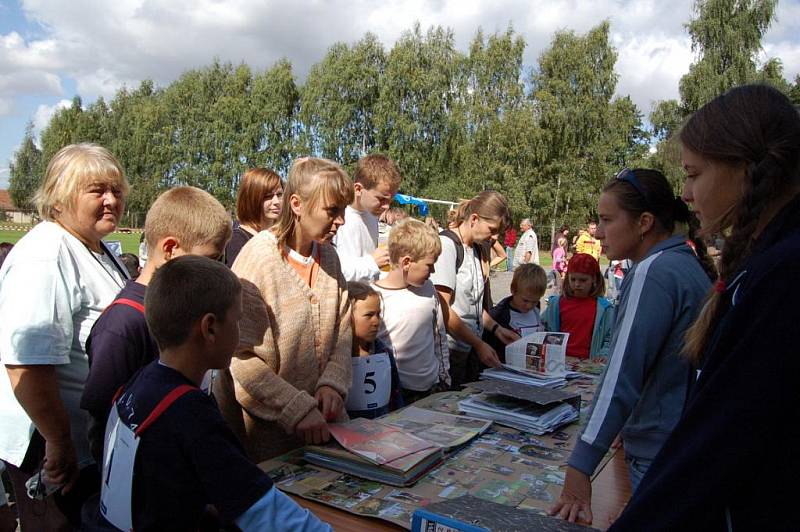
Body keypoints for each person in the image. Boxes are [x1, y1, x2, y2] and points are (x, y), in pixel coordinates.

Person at [610, 85, 800, 531]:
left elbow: (721, 437)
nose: (688, 193)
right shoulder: (764, 264)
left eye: (694, 174)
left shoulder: (782, 275)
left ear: (746, 170)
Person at [84, 256, 330, 531]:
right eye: (237, 321)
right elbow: (262, 510)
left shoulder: (140, 382)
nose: (242, 333)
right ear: (210, 327)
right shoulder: (188, 412)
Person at [550, 168, 714, 525]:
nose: (598, 231)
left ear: (643, 222)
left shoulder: (652, 271)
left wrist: (580, 466)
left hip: (657, 452)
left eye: (607, 220)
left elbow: (622, 375)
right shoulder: (682, 264)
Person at [0, 143, 130, 529]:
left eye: (117, 190)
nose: (111, 200)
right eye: (97, 190)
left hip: (87, 444)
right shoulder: (45, 255)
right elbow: (27, 365)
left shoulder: (97, 247)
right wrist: (58, 441)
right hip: (52, 448)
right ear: (60, 196)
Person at [214, 157, 354, 462]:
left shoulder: (330, 259)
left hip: (326, 433)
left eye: (343, 211)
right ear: (297, 204)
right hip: (268, 442)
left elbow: (343, 332)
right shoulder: (258, 260)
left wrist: (333, 383)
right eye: (332, 210)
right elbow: (240, 357)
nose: (341, 220)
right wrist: (296, 407)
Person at [81, 186, 232, 464]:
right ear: (171, 249)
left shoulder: (183, 309)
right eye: (211, 259)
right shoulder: (123, 325)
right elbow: (104, 423)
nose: (218, 270)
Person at [431, 190, 509, 388]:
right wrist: (478, 344)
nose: (493, 236)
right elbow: (443, 309)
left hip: (469, 350)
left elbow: (472, 306)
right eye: (491, 229)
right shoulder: (447, 246)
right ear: (474, 219)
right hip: (451, 352)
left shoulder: (475, 249)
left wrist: (496, 328)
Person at [372, 219, 450, 403]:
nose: (433, 270)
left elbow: (439, 335)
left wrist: (445, 377)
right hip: (396, 393)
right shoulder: (375, 297)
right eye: (429, 265)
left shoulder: (428, 289)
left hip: (432, 389)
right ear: (407, 262)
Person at [332, 154, 402, 281]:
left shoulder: (372, 215)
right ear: (358, 189)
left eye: (390, 200)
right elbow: (332, 271)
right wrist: (372, 262)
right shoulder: (336, 219)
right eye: (381, 199)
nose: (386, 206)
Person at [345, 281, 403, 419]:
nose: (376, 321)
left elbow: (396, 395)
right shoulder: (334, 359)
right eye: (369, 315)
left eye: (378, 314)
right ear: (347, 316)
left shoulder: (383, 353)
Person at [541, 253, 614, 361]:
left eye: (583, 280)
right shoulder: (556, 304)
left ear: (594, 279)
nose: (577, 284)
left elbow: (610, 337)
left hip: (589, 364)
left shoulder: (604, 308)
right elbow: (542, 328)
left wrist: (603, 354)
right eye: (573, 279)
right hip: (558, 362)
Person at [483, 263, 547, 362]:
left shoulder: (536, 308)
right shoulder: (499, 315)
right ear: (513, 290)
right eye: (525, 301)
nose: (529, 306)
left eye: (534, 301)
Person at [226, 167, 283, 267]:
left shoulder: (281, 237)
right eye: (268, 196)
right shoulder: (237, 241)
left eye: (279, 194)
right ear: (252, 199)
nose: (276, 202)